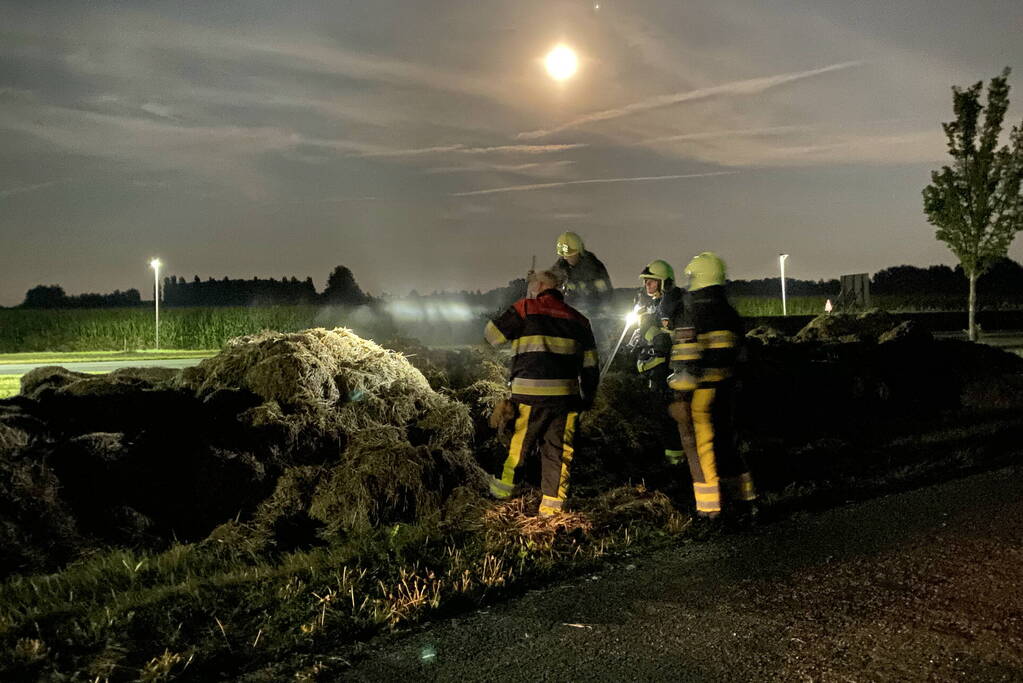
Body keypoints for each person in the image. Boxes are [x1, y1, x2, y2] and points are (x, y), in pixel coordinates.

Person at [484, 269, 600, 517]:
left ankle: (500, 500)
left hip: (529, 396)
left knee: (517, 447)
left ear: (538, 287)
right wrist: (587, 398)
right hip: (567, 400)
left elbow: (491, 336)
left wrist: (515, 303)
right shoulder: (579, 320)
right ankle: (551, 510)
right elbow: (591, 365)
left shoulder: (525, 308)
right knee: (559, 452)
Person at [664, 252, 756, 521]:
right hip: (728, 390)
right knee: (728, 447)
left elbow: (685, 360)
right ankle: (746, 500)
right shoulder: (730, 313)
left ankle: (709, 510)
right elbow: (743, 355)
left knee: (703, 450)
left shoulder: (691, 311)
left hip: (701, 394)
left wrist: (678, 396)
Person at [629, 260, 691, 466]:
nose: (647, 284)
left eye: (652, 281)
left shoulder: (673, 303)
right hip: (660, 363)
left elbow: (667, 337)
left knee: (667, 412)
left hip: (671, 365)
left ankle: (675, 458)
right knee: (659, 410)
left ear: (664, 282)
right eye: (646, 281)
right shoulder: (656, 303)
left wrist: (652, 332)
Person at [551, 232, 613, 314]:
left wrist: (604, 309)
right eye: (564, 255)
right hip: (569, 311)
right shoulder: (561, 265)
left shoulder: (593, 266)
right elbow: (551, 280)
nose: (567, 258)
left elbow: (605, 292)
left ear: (579, 252)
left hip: (593, 311)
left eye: (571, 255)